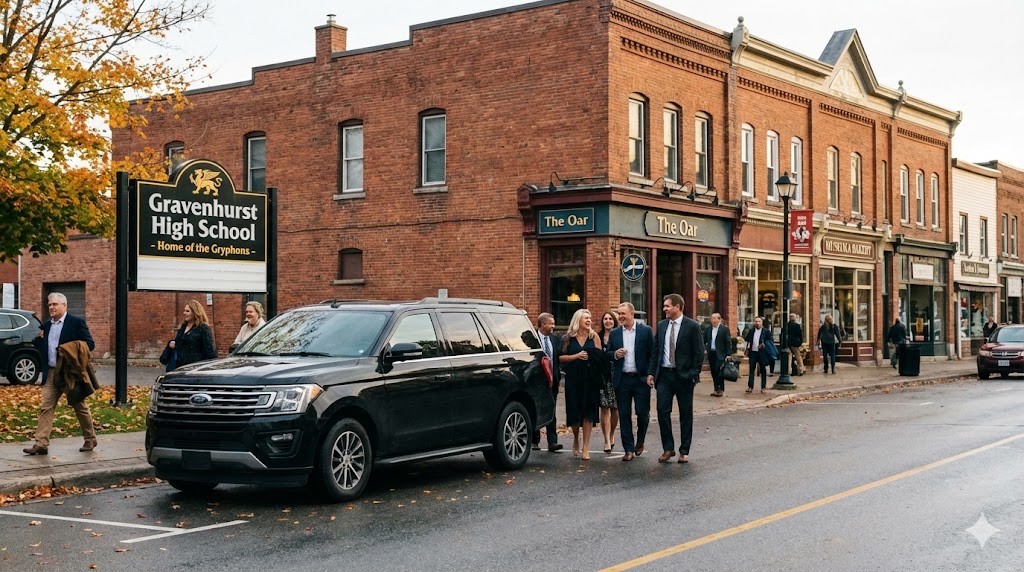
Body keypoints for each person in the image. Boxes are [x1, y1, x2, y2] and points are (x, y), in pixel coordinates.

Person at [23, 293, 98, 455]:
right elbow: (42, 347)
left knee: (79, 406)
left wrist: (68, 349)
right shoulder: (47, 326)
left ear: (64, 306)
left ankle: (90, 439)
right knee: (46, 407)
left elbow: (89, 344)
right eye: (49, 304)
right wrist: (39, 339)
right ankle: (41, 443)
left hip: (69, 372)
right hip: (51, 373)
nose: (51, 307)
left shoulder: (76, 323)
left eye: (55, 304)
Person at [648, 293, 705, 464]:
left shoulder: (692, 326)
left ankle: (684, 450)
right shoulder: (662, 325)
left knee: (685, 414)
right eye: (664, 306)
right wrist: (652, 373)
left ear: (678, 307)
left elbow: (699, 353)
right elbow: (656, 351)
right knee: (662, 411)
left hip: (684, 377)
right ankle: (668, 448)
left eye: (667, 306)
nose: (664, 309)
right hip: (664, 376)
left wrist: (692, 374)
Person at [605, 302, 655, 462]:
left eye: (623, 314)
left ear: (632, 313)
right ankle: (628, 449)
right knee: (624, 415)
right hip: (623, 379)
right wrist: (615, 354)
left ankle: (640, 441)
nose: (620, 317)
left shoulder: (645, 331)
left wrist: (650, 374)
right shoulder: (615, 334)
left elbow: (653, 354)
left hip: (641, 379)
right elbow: (608, 354)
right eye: (618, 314)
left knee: (642, 413)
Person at [559, 309, 603, 460]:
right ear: (578, 320)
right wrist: (576, 356)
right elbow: (561, 358)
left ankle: (586, 446)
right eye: (586, 318)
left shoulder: (594, 336)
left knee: (588, 413)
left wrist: (594, 358)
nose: (589, 320)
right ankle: (575, 438)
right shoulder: (568, 338)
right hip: (573, 380)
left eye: (590, 318)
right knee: (575, 414)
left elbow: (600, 356)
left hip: (590, 380)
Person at [531, 312, 564, 453]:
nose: (553, 326)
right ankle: (534, 441)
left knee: (551, 410)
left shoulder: (554, 339)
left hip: (552, 381)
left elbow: (557, 358)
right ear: (543, 324)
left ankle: (552, 442)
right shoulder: (532, 339)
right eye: (551, 323)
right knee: (535, 409)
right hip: (537, 380)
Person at [167, 300, 216, 369]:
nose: (184, 313)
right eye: (184, 311)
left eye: (187, 311)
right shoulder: (183, 326)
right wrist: (171, 343)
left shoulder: (203, 328)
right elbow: (178, 342)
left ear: (195, 312)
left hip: (195, 367)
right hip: (180, 366)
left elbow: (209, 350)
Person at [595, 310, 620, 453]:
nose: (608, 321)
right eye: (605, 319)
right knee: (604, 407)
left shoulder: (618, 335)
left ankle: (611, 434)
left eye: (610, 319)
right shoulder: (597, 336)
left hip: (616, 374)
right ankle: (606, 440)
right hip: (602, 375)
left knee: (615, 408)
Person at [703, 312, 734, 397]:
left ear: (719, 319)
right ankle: (716, 389)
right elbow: (704, 340)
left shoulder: (724, 329)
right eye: (712, 318)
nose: (713, 320)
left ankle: (721, 389)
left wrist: (728, 354)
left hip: (721, 353)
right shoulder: (708, 329)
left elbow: (728, 342)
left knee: (719, 370)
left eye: (715, 318)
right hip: (711, 353)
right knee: (713, 371)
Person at [743, 317, 769, 393]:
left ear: (762, 322)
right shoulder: (751, 331)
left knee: (763, 370)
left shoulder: (766, 331)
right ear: (754, 322)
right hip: (753, 352)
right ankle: (750, 386)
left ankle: (763, 387)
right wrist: (747, 350)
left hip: (762, 353)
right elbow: (747, 340)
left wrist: (764, 344)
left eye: (759, 321)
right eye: (756, 321)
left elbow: (770, 341)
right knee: (751, 369)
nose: (757, 323)